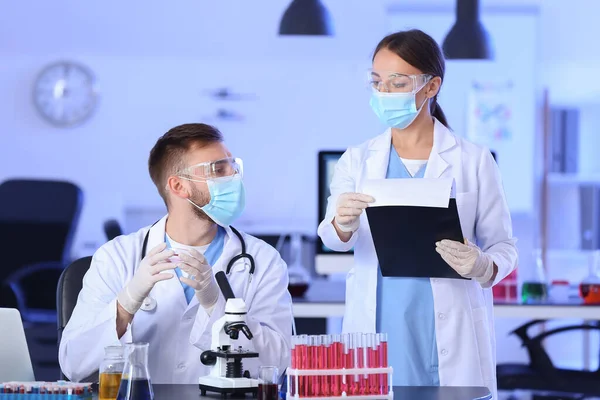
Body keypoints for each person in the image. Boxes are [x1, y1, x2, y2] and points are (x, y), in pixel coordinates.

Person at [317, 30, 517, 398]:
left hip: (449, 336)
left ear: (430, 86)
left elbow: (504, 246)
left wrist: (482, 265)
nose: (384, 93)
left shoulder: (473, 160)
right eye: (377, 82)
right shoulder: (357, 160)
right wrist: (341, 222)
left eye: (397, 83)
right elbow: (333, 238)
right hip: (378, 330)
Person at [59, 123, 293, 383]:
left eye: (233, 166)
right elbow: (74, 365)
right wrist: (125, 306)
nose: (233, 177)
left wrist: (218, 307)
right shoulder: (116, 257)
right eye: (219, 169)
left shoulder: (263, 260)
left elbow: (278, 364)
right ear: (179, 186)